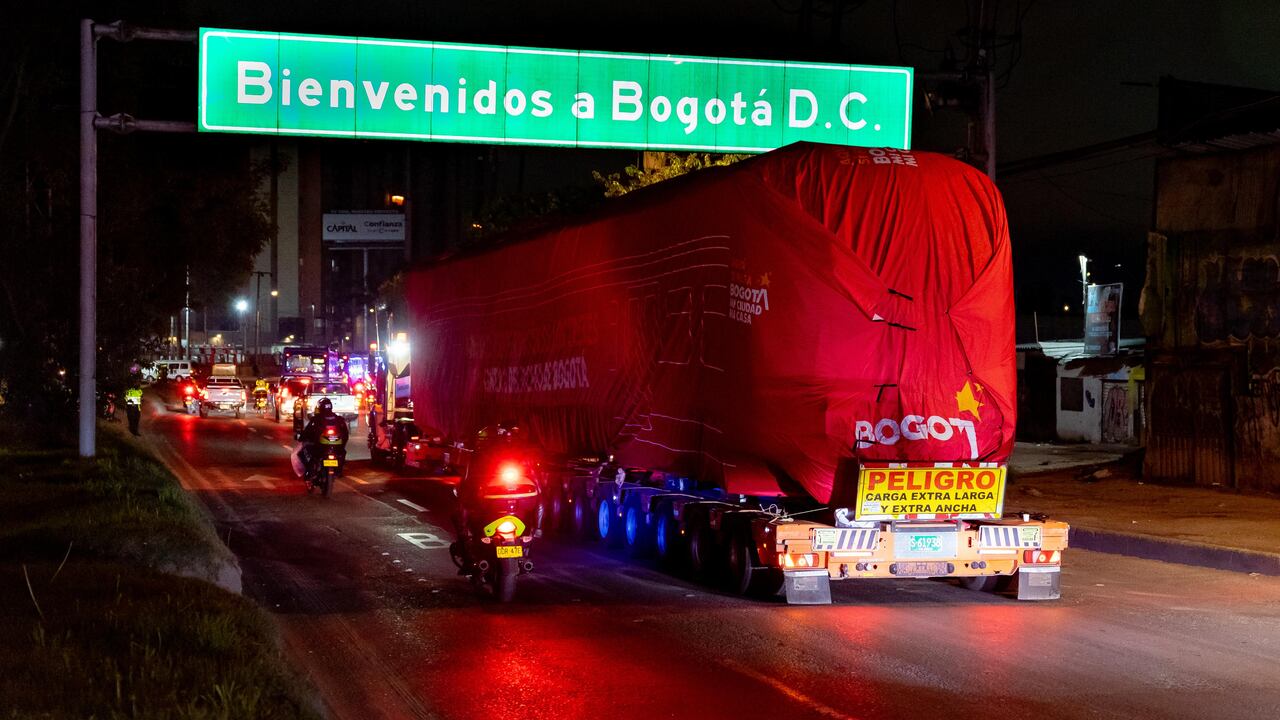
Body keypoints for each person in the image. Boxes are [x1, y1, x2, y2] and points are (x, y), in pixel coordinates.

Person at [452, 422, 542, 571]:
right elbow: (468, 480)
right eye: (503, 433)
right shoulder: (481, 454)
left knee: (539, 495)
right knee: (461, 512)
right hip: (487, 496)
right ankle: (469, 554)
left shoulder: (523, 453)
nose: (507, 437)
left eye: (510, 434)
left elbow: (534, 478)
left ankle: (531, 541)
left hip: (512, 496)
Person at [293, 397, 349, 478]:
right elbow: (345, 434)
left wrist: (302, 438)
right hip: (335, 448)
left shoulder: (316, 419)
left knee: (303, 453)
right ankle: (337, 471)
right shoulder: (338, 418)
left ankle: (309, 473)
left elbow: (307, 431)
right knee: (342, 454)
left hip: (320, 447)